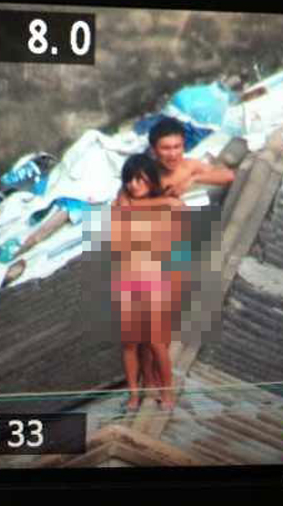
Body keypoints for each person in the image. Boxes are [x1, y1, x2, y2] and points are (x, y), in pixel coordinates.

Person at [111, 154, 181, 411]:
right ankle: (134, 393)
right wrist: (164, 200)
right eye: (130, 180)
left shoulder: (167, 206)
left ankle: (167, 391)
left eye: (140, 179)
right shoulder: (123, 199)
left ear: (151, 179)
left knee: (156, 342)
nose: (133, 185)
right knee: (130, 342)